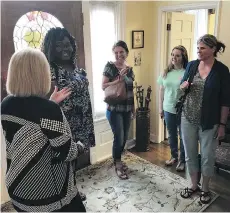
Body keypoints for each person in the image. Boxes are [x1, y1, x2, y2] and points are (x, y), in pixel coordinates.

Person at [1, 48, 86, 212]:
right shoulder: (48, 111)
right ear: (41, 74)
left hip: (17, 188)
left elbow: (31, 120)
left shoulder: (5, 104)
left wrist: (51, 103)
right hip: (49, 195)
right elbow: (67, 152)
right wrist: (81, 146)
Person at [42, 27, 96, 200]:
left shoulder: (75, 67)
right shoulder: (50, 70)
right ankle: (65, 194)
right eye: (59, 46)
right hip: (64, 124)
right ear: (51, 48)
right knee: (64, 161)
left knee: (74, 160)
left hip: (82, 121)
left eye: (68, 45)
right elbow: (44, 99)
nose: (65, 49)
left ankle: (71, 190)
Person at [180, 34, 230, 204]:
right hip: (187, 117)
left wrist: (222, 124)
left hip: (210, 122)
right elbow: (181, 85)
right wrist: (184, 86)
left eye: (202, 48)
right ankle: (194, 185)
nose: (198, 51)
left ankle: (205, 188)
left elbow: (225, 100)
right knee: (190, 154)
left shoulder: (222, 70)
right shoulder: (192, 65)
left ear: (213, 49)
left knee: (208, 156)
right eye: (198, 47)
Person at [102, 40, 135, 180]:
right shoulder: (110, 66)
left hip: (127, 108)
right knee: (119, 137)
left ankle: (118, 159)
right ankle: (117, 164)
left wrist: (133, 108)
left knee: (124, 137)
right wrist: (118, 79)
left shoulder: (129, 68)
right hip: (114, 109)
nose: (119, 55)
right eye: (116, 52)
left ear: (126, 52)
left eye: (121, 52)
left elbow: (130, 90)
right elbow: (103, 86)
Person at [157, 45, 188, 171]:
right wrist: (160, 108)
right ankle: (174, 156)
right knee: (171, 135)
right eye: (172, 54)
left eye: (177, 55)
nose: (174, 57)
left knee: (183, 136)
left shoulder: (187, 72)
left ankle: (182, 160)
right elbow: (161, 91)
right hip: (168, 108)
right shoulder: (166, 72)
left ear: (183, 57)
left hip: (182, 109)